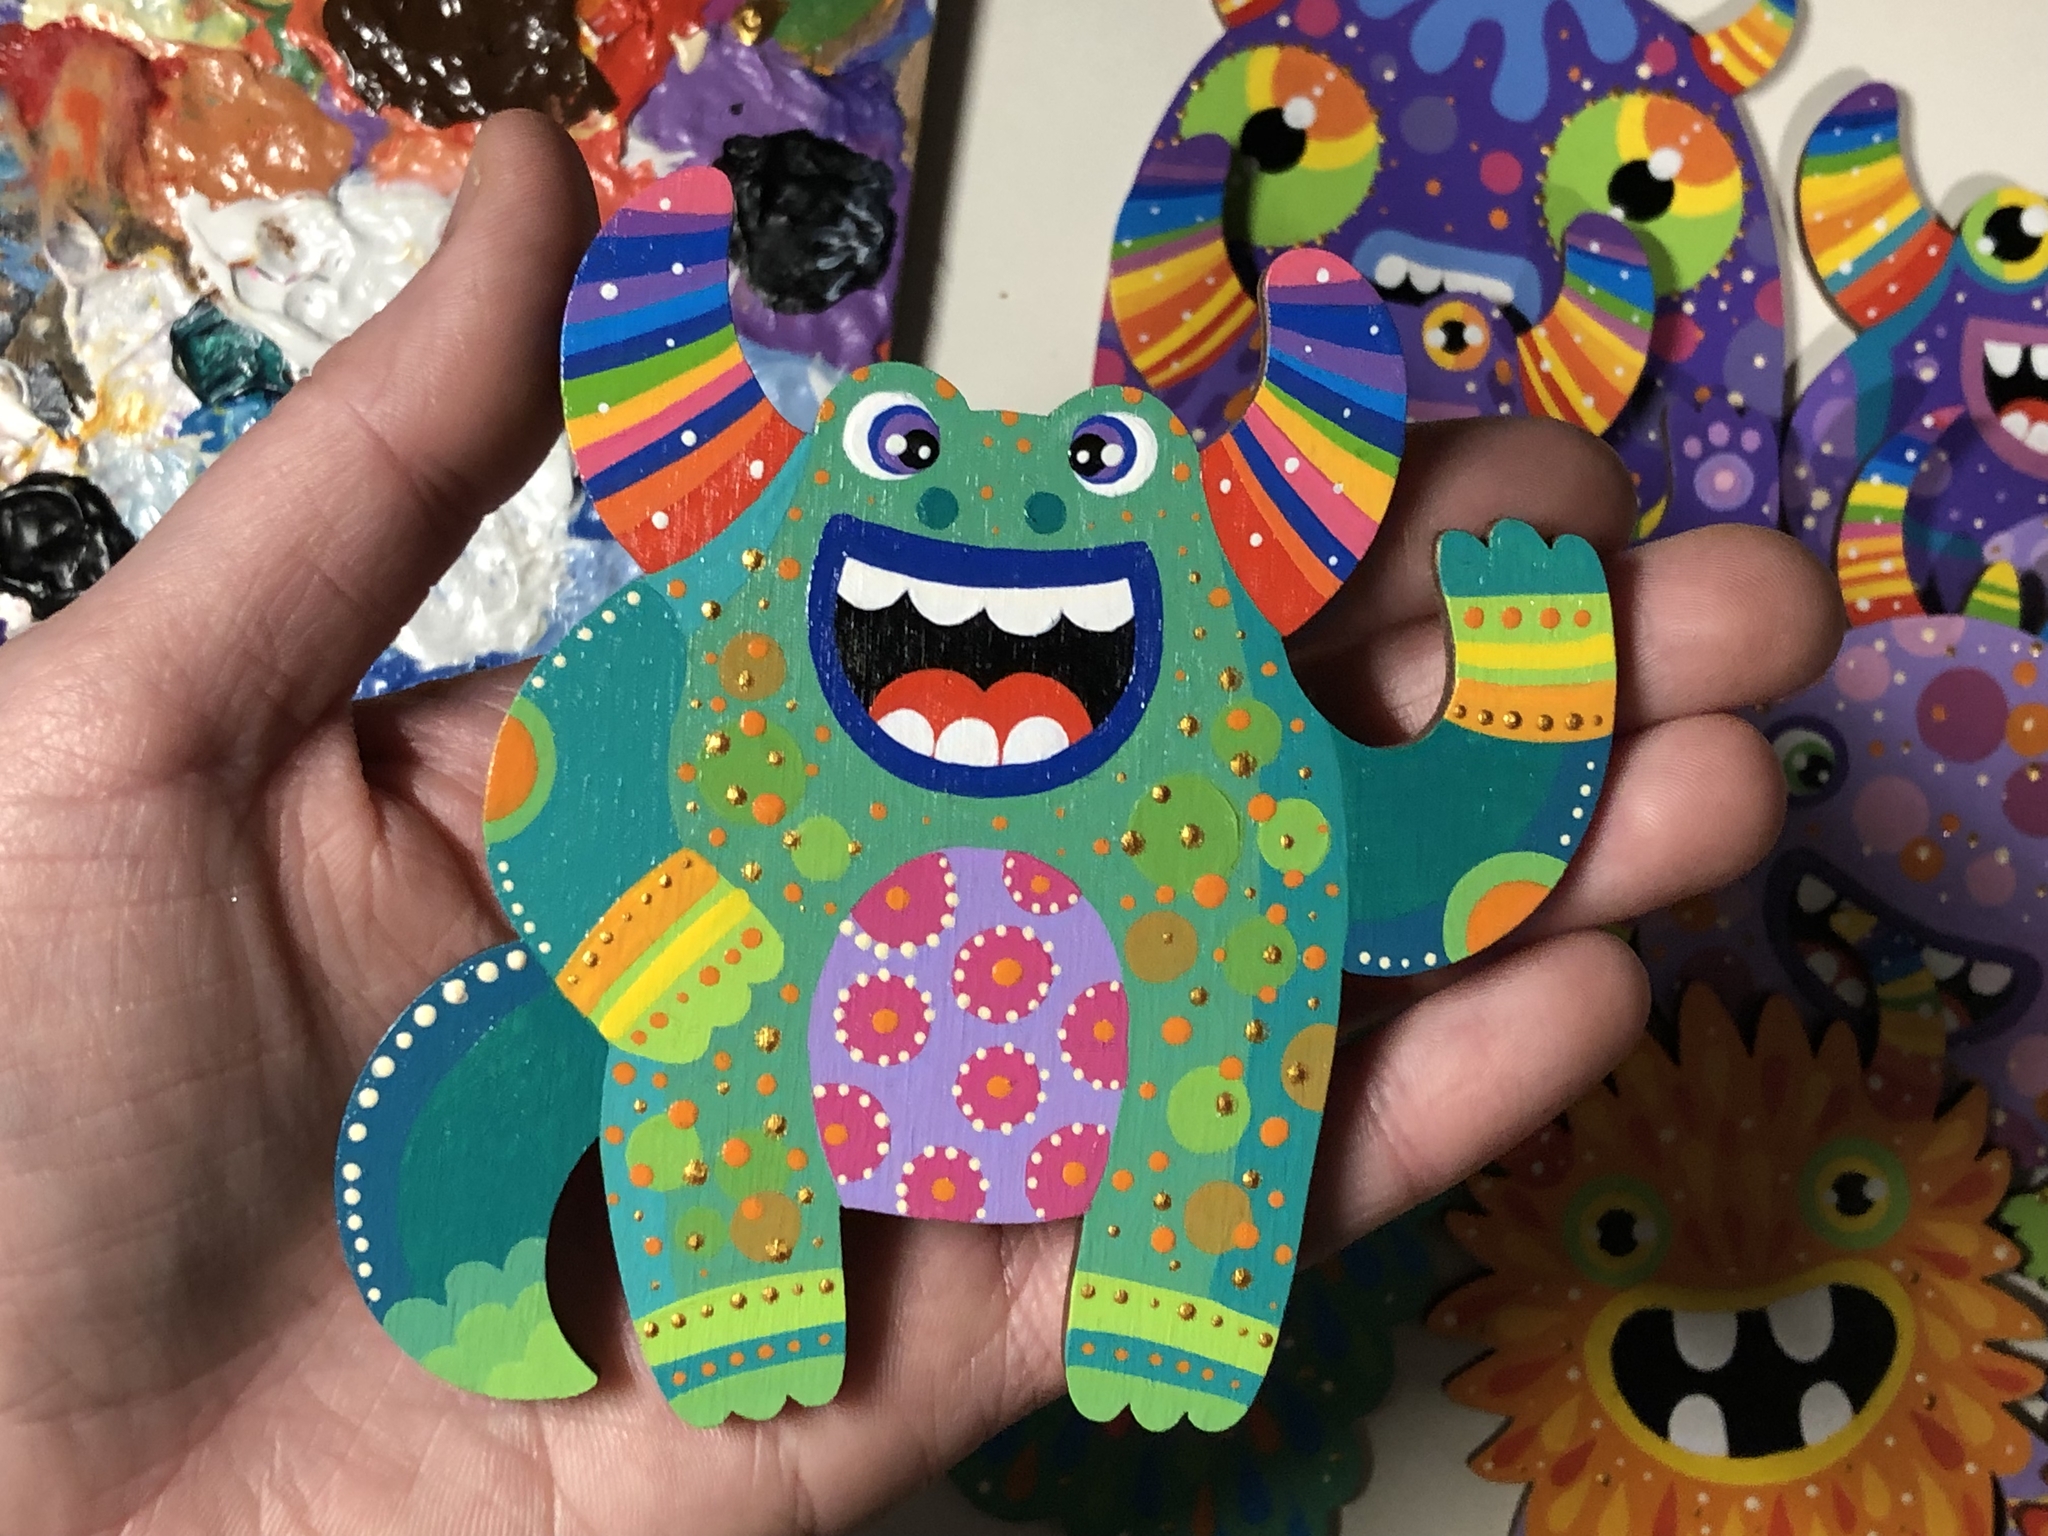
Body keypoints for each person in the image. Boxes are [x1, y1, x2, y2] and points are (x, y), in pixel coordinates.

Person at [0, 114, 1843, 1535]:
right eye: (898, 451)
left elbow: (1419, 874)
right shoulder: (719, 654)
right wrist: (632, 939)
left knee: (1238, 1007)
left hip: (1156, 1143)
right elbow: (567, 788)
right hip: (751, 1104)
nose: (1003, 516)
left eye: (1105, 472)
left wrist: (1526, 688)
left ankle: (1171, 1293)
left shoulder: (1231, 721)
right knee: (701, 1005)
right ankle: (739, 1283)